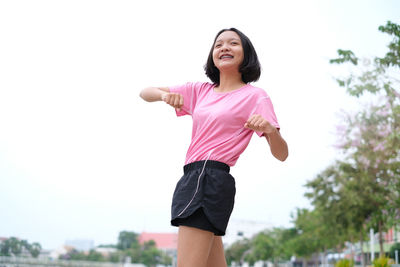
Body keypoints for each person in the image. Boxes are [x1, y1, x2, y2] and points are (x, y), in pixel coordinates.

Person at [140, 28, 288, 267]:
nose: (224, 48)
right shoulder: (200, 91)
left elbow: (282, 154)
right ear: (212, 55)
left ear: (246, 53)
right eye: (219, 44)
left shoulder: (255, 96)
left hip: (209, 178)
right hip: (194, 177)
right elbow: (144, 92)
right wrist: (163, 96)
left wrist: (270, 130)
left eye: (233, 43)